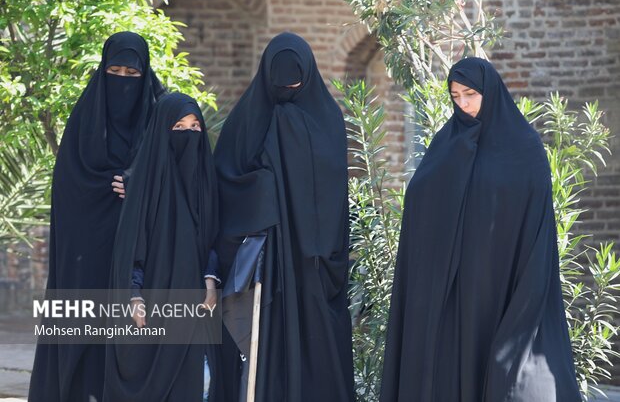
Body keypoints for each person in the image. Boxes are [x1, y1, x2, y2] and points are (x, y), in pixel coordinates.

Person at [380, 57, 581, 401]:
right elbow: (421, 199)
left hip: (502, 284)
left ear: (490, 92)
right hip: (454, 291)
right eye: (455, 96)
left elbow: (535, 225)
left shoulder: (525, 148)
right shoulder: (448, 142)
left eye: (470, 94)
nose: (463, 105)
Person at [213, 32, 354, 402]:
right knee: (262, 349)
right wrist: (267, 192)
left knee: (316, 344)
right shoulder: (246, 121)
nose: (287, 93)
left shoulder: (328, 121)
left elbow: (334, 192)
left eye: (295, 85)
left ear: (307, 78)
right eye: (280, 86)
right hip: (266, 262)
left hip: (313, 261)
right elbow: (224, 181)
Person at [29, 31, 164, 402]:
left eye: (132, 75)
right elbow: (69, 185)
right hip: (87, 246)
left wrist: (138, 188)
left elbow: (176, 172)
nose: (122, 80)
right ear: (102, 69)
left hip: (140, 243)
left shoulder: (159, 115)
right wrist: (105, 190)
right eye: (115, 70)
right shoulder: (85, 119)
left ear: (145, 74)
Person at [104, 92, 220, 402]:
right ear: (162, 131)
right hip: (153, 305)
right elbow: (132, 247)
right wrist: (134, 295)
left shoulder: (207, 184)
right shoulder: (144, 187)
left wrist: (210, 279)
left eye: (195, 127)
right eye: (179, 127)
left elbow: (212, 238)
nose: (189, 135)